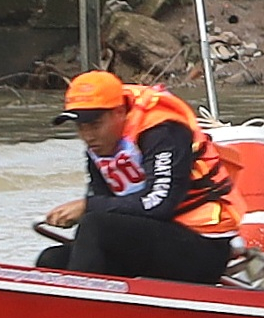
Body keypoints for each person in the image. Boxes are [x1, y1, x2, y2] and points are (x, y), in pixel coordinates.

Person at [38, 69, 245, 284]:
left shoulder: (163, 132)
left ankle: (80, 309)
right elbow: (108, 204)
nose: (88, 136)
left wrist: (87, 207)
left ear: (119, 112)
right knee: (52, 260)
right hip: (155, 240)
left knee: (95, 225)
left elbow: (159, 204)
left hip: (204, 245)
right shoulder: (99, 145)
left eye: (95, 125)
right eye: (81, 127)